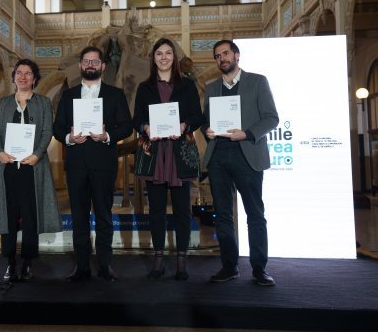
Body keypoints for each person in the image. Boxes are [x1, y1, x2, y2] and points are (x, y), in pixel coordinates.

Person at [202, 40, 279, 286]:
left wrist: (245, 133)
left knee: (255, 214)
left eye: (225, 53)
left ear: (236, 55)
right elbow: (205, 121)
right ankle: (229, 267)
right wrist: (208, 130)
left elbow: (271, 118)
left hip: (247, 154)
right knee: (223, 215)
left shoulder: (258, 81)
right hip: (218, 157)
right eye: (217, 56)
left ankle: (259, 269)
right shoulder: (211, 87)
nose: (221, 58)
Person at [53, 46, 133, 282]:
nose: (90, 65)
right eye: (86, 61)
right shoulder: (68, 96)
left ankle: (105, 265)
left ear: (103, 66)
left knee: (104, 216)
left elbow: (126, 126)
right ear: (80, 65)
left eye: (95, 61)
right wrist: (69, 138)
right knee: (79, 217)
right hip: (76, 164)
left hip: (103, 163)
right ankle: (81, 267)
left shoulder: (115, 94)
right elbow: (58, 128)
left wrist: (107, 136)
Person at [0, 59, 62, 282]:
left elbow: (47, 131)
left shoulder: (43, 103)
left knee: (30, 216)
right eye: (19, 73)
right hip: (8, 168)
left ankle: (28, 262)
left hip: (32, 168)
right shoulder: (4, 103)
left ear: (34, 78)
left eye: (28, 74)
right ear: (14, 77)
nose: (23, 77)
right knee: (7, 216)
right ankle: (10, 262)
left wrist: (37, 154)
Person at [133, 37, 203, 281]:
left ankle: (182, 261)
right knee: (156, 212)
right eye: (159, 53)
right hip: (155, 156)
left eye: (168, 53)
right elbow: (137, 118)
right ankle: (159, 260)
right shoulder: (144, 88)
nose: (163, 57)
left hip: (179, 154)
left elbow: (198, 116)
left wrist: (185, 124)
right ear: (153, 58)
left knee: (183, 210)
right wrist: (145, 128)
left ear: (174, 58)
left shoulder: (188, 86)